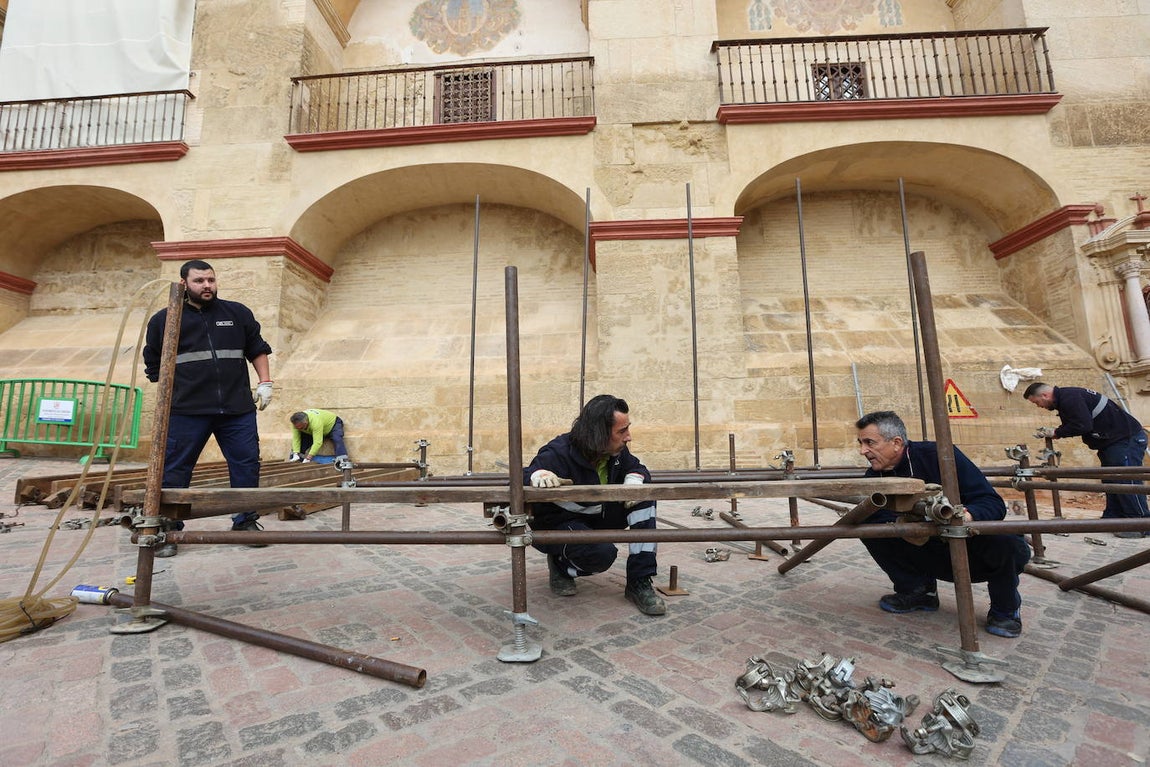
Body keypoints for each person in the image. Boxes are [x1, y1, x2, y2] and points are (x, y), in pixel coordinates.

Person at [855, 411, 1031, 638]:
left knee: (1007, 542)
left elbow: (992, 503)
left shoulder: (941, 456)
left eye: (870, 442)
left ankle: (1005, 609)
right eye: (860, 443)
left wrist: (964, 516)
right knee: (867, 524)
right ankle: (918, 591)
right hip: (927, 550)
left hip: (968, 548)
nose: (863, 451)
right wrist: (903, 524)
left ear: (896, 443)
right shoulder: (874, 478)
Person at [142, 259, 274, 557]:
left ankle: (245, 522)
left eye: (211, 280)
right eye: (199, 281)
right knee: (175, 469)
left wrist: (265, 382)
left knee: (246, 464)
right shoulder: (164, 320)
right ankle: (168, 529)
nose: (207, 286)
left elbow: (257, 348)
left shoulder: (236, 313)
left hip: (236, 409)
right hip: (186, 411)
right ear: (183, 283)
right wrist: (174, 391)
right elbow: (154, 365)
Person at [523, 394, 665, 616]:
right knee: (602, 555)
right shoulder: (559, 451)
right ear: (599, 433)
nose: (628, 437)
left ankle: (639, 580)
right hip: (564, 524)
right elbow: (524, 476)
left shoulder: (616, 452)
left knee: (643, 496)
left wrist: (635, 479)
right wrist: (538, 475)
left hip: (599, 516)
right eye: (621, 431)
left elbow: (638, 467)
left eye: (627, 429)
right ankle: (561, 567)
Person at [1023, 382, 1150, 537]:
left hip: (1126, 439)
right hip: (1113, 442)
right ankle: (1113, 518)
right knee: (1112, 480)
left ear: (1044, 395)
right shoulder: (1067, 398)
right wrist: (1058, 432)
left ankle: (1140, 525)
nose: (1039, 406)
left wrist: (1057, 432)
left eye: (1037, 402)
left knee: (1126, 480)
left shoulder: (1069, 398)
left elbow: (1083, 425)